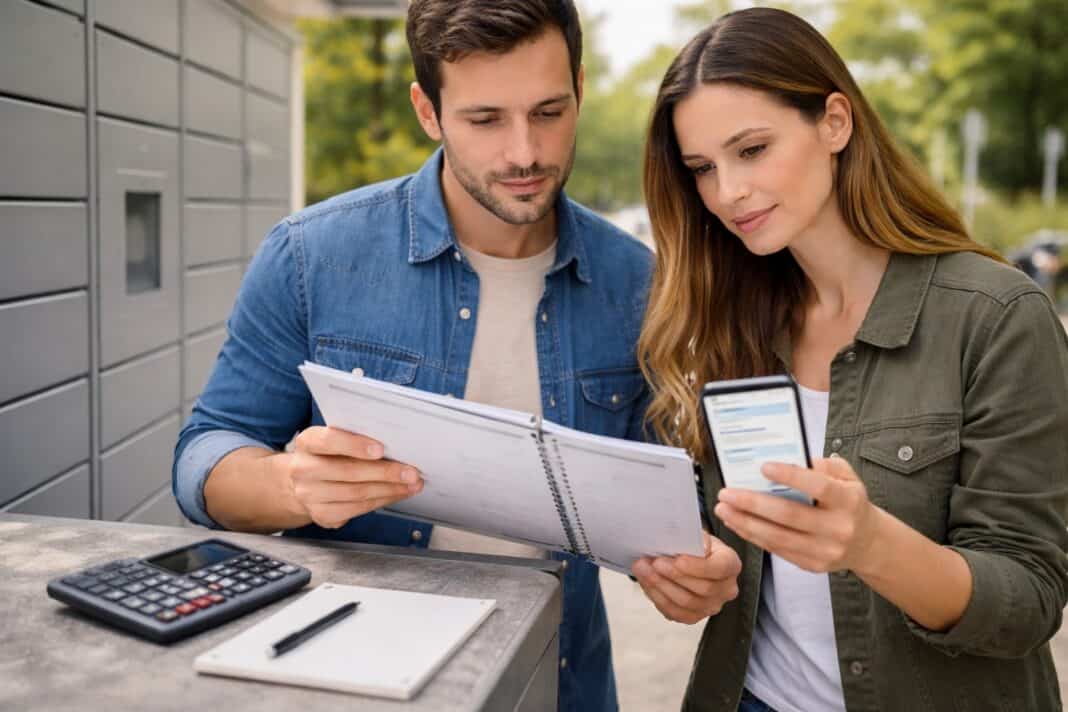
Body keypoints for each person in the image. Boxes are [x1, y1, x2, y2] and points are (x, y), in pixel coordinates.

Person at [172, 1, 732, 709]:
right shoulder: (311, 256)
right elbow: (202, 457)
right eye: (485, 119)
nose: (525, 152)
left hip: (558, 683)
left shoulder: (639, 283)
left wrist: (691, 568)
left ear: (581, 89)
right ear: (427, 111)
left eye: (550, 112)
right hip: (347, 679)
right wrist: (288, 484)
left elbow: (667, 504)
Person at [631, 7, 1068, 712]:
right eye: (702, 169)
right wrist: (690, 576)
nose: (727, 192)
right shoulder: (729, 321)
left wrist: (869, 544)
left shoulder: (994, 316)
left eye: (752, 150)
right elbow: (736, 562)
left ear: (834, 122)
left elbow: (1029, 600)